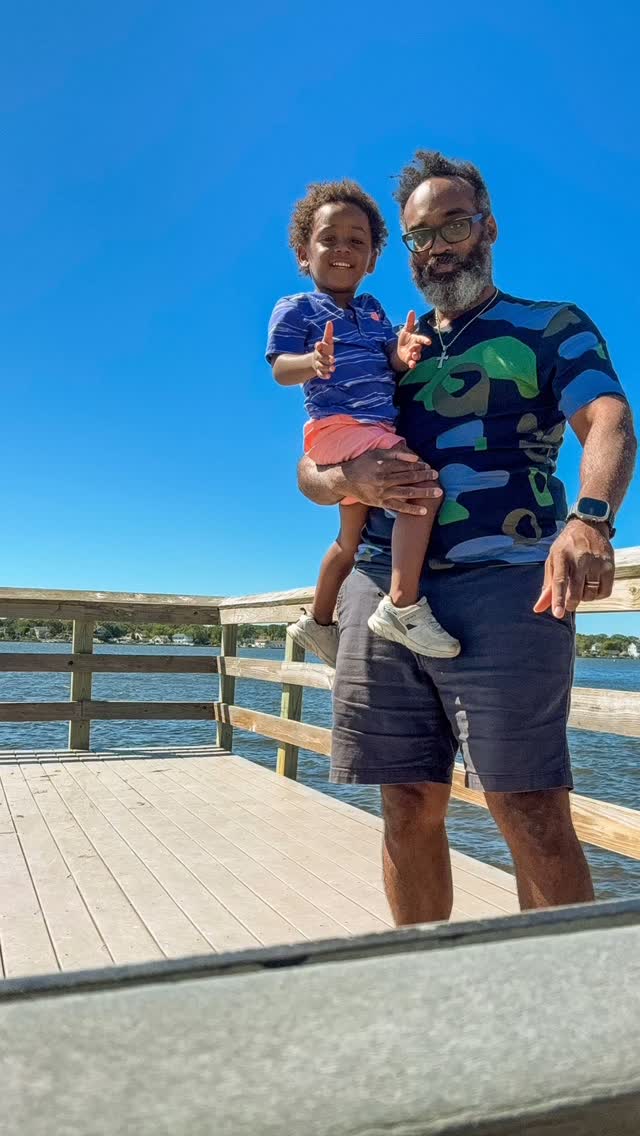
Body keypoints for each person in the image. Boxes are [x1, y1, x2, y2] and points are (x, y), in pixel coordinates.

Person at [298, 150, 637, 918]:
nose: (438, 246)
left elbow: (609, 418)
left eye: (453, 225)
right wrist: (350, 478)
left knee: (530, 808)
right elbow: (310, 469)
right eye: (420, 235)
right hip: (382, 592)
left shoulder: (550, 326)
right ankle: (428, 973)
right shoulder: (384, 345)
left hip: (510, 589)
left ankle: (564, 988)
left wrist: (590, 520)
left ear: (488, 227)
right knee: (406, 802)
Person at [266, 180, 460, 667]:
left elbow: (387, 360)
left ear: (372, 259)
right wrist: (311, 362)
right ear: (303, 253)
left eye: (357, 241)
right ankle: (402, 606)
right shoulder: (297, 308)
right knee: (423, 493)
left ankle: (318, 621)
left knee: (349, 541)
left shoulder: (373, 311)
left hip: (367, 432)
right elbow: (279, 369)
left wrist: (401, 353)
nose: (343, 249)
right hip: (342, 426)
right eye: (328, 239)